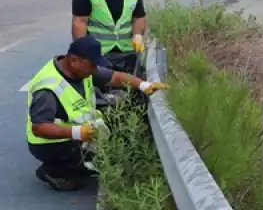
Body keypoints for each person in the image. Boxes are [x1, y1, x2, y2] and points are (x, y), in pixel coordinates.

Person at [27, 37, 168, 191]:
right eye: (92, 65)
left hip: (82, 131)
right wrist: (78, 133)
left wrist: (143, 85)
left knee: (120, 138)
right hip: (50, 144)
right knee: (99, 163)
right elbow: (39, 128)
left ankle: (77, 159)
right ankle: (53, 170)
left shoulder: (82, 69)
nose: (95, 69)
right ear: (74, 61)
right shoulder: (48, 89)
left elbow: (115, 77)